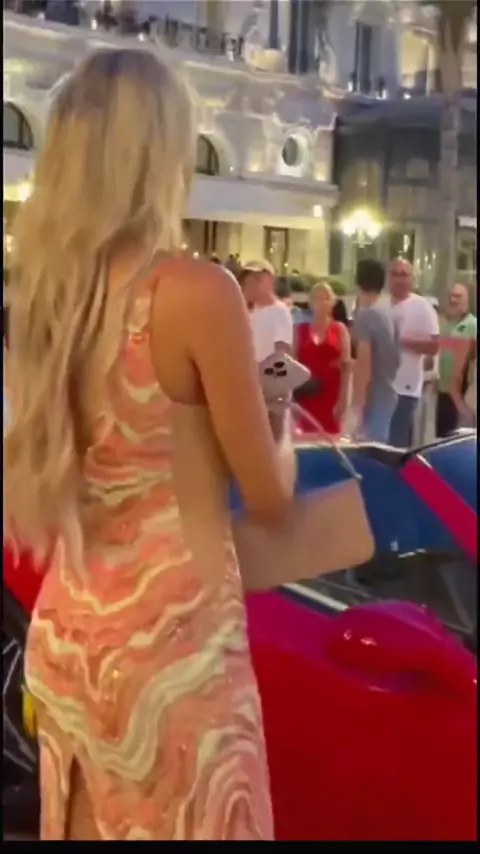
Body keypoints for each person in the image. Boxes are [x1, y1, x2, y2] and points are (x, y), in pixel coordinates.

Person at [5, 49, 294, 841]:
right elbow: (269, 497)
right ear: (159, 152)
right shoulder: (196, 292)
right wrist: (278, 414)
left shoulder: (49, 298)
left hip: (69, 634)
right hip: (175, 648)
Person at [388, 259, 439, 447]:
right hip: (381, 388)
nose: (399, 279)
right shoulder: (382, 305)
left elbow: (434, 346)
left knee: (397, 443)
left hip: (406, 388)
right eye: (395, 274)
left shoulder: (422, 306)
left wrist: (402, 342)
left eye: (404, 275)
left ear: (412, 279)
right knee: (379, 443)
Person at [349, 259, 399, 444]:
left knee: (366, 452)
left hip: (372, 399)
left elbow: (364, 364)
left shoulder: (367, 315)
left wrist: (357, 406)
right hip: (388, 392)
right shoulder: (388, 312)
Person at [295, 281, 351, 436]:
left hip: (331, 394)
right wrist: (292, 399)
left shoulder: (339, 329)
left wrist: (344, 400)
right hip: (306, 393)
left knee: (330, 437)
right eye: (317, 298)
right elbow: (292, 365)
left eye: (326, 298)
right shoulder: (299, 330)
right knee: (305, 439)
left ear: (332, 302)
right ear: (310, 302)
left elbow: (346, 367)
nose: (321, 302)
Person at [436, 284, 477, 437]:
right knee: (442, 438)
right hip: (443, 393)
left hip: (461, 396)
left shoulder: (472, 325)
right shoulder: (447, 325)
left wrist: (461, 403)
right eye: (451, 296)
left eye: (458, 296)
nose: (453, 300)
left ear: (467, 301)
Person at [241, 260, 294, 360]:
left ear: (270, 279)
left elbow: (281, 355)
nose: (251, 284)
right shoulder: (245, 313)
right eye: (246, 280)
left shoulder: (280, 312)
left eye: (257, 279)